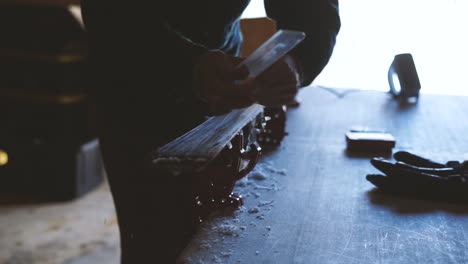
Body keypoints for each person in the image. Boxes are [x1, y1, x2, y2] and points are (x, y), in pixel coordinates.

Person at [80, 0, 340, 262]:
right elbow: (109, 14)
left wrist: (298, 60)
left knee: (220, 237)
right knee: (153, 241)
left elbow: (312, 8)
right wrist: (186, 65)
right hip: (135, 81)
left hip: (224, 82)